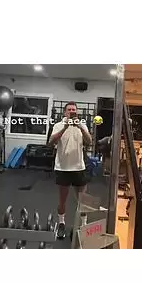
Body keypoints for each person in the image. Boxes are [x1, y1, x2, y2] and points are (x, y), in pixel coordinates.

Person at [47, 102, 92, 238]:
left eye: (73, 110)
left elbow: (89, 141)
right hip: (63, 168)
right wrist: (65, 127)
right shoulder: (58, 125)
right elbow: (51, 142)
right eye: (69, 110)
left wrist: (80, 127)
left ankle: (83, 225)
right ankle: (61, 223)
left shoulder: (82, 125)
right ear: (65, 112)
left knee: (82, 200)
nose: (71, 111)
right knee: (62, 200)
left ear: (77, 112)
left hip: (79, 167)